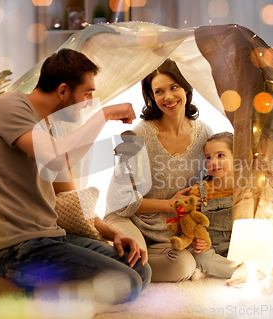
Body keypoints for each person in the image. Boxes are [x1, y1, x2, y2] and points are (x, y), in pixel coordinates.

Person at [0, 48, 151, 303]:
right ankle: (13, 286)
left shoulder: (48, 127)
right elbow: (53, 157)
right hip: (14, 249)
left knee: (139, 269)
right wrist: (104, 114)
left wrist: (114, 234)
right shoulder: (11, 106)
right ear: (63, 90)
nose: (90, 102)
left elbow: (68, 195)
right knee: (127, 284)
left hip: (50, 238)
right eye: (87, 94)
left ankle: (30, 284)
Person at [105, 59, 213, 282]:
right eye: (159, 91)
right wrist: (169, 205)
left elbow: (209, 185)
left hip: (170, 230)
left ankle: (118, 258)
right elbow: (119, 200)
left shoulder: (205, 134)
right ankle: (112, 253)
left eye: (174, 87)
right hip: (128, 218)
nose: (168, 97)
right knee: (137, 255)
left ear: (186, 88)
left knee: (183, 265)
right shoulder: (139, 135)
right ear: (152, 97)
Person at [186, 132, 237, 280]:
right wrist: (197, 240)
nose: (213, 162)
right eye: (208, 157)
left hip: (234, 243)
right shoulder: (199, 190)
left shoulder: (244, 190)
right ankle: (236, 273)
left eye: (220, 155)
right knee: (201, 257)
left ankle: (211, 270)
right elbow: (189, 223)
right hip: (208, 245)